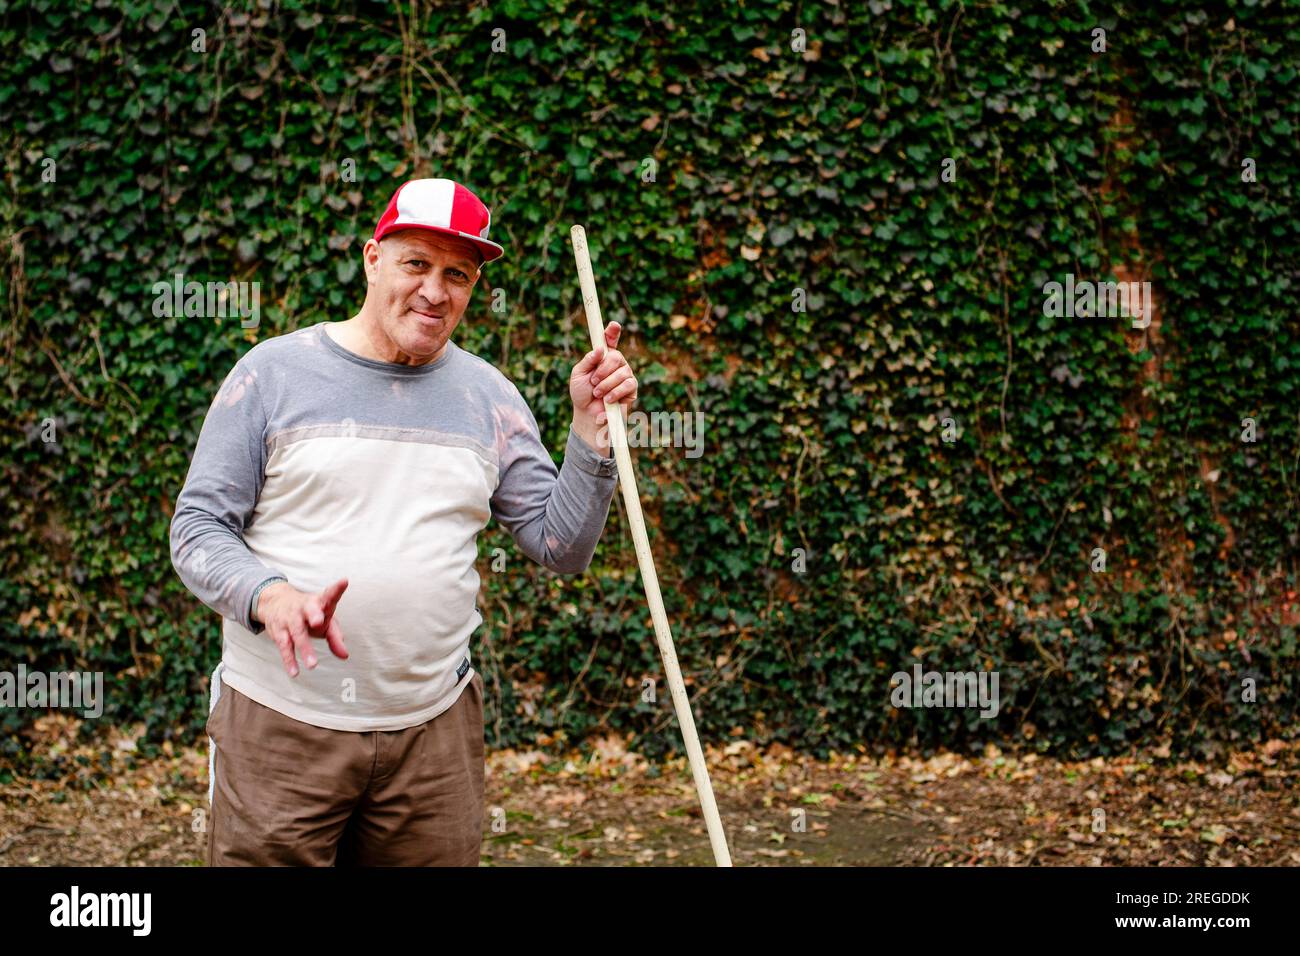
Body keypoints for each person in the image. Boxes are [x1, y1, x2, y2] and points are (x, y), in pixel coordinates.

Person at [169, 177, 638, 865]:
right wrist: (270, 596)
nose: (435, 291)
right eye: (416, 263)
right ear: (372, 258)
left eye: (458, 274)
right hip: (281, 725)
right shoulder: (270, 375)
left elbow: (558, 545)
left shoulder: (491, 398)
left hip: (432, 736)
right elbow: (198, 528)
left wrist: (590, 435)